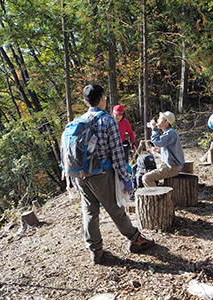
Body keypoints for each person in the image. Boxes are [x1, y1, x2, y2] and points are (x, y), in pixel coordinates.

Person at [74, 84, 154, 264]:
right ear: (102, 98)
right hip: (100, 174)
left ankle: (96, 250)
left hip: (80, 174)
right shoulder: (107, 120)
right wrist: (126, 178)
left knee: (89, 210)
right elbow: (118, 155)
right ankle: (136, 240)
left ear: (85, 101)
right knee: (115, 208)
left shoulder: (79, 120)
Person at [143, 111, 185, 187]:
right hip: (168, 166)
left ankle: (156, 197)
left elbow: (157, 142)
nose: (158, 120)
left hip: (171, 168)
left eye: (160, 119)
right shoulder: (169, 132)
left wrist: (154, 129)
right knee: (148, 170)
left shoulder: (170, 133)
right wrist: (160, 150)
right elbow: (171, 150)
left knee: (146, 178)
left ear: (167, 122)